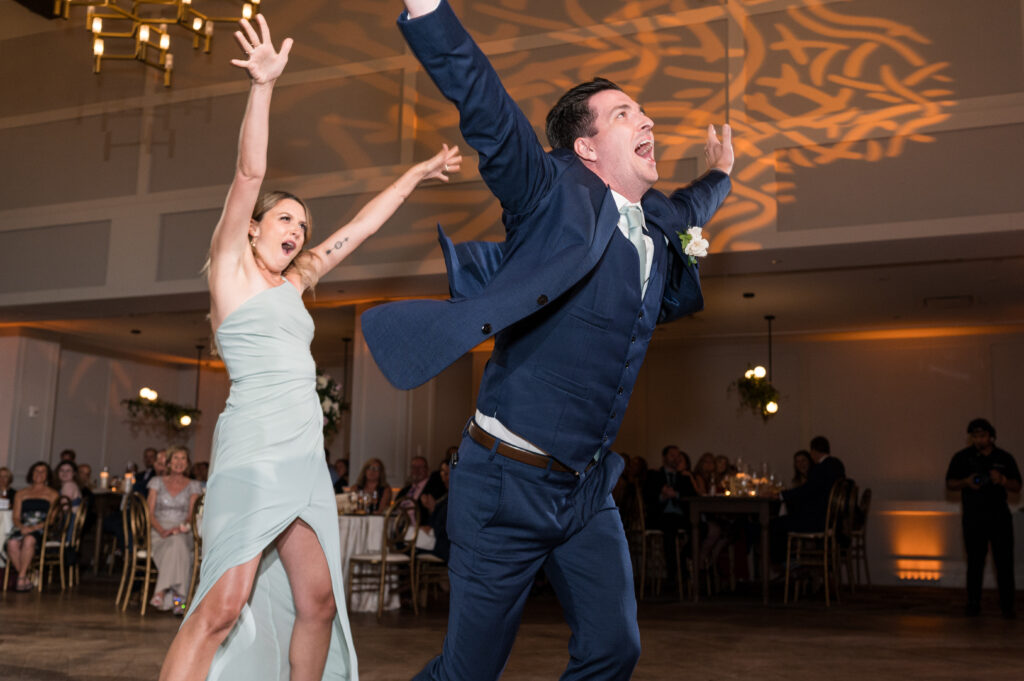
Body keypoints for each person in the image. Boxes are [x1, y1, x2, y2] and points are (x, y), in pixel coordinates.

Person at [361, 1, 733, 677]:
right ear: (585, 148)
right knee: (467, 671)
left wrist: (722, 172)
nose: (647, 119)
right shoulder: (549, 195)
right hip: (505, 481)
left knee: (614, 646)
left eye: (643, 111)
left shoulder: (654, 223)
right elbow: (488, 108)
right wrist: (427, 11)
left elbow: (691, 209)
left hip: (585, 490)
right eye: (625, 114)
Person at [156, 15, 460, 681]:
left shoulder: (297, 285)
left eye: (303, 223)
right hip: (254, 451)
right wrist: (263, 87)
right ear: (257, 225)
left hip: (303, 456)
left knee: (318, 601)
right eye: (286, 217)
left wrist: (415, 174)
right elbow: (249, 168)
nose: (297, 229)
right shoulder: (229, 268)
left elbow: (360, 228)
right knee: (224, 603)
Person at [946, 418, 1021, 618]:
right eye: (975, 436)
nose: (979, 440)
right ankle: (973, 604)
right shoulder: (962, 458)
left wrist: (1002, 479)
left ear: (991, 436)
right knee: (975, 562)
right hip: (974, 517)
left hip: (999, 517)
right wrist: (966, 481)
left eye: (983, 436)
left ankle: (1008, 606)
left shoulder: (1004, 458)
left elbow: (1017, 485)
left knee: (1004, 562)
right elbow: (950, 483)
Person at [770, 436, 846, 563]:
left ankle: (785, 563)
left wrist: (781, 495)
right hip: (833, 520)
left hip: (819, 521)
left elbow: (807, 491)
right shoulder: (837, 465)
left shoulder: (819, 469)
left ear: (814, 452)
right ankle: (791, 563)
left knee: (776, 524)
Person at [148, 446, 203, 613]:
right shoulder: (156, 482)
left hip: (181, 530)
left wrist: (178, 529)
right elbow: (149, 514)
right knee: (177, 547)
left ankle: (161, 591)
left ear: (187, 463)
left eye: (183, 458)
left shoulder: (193, 485)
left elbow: (191, 515)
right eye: (176, 458)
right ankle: (180, 600)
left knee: (178, 543)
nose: (179, 462)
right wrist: (162, 530)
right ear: (169, 462)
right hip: (159, 530)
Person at [3, 462, 59, 592]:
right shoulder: (21, 493)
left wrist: (34, 528)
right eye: (36, 471)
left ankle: (21, 577)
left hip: (42, 528)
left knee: (29, 539)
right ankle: (26, 577)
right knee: (12, 542)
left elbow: (51, 519)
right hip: (23, 526)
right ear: (31, 474)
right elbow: (16, 517)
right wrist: (22, 527)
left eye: (42, 471)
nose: (39, 474)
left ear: (47, 475)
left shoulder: (53, 494)